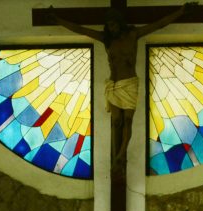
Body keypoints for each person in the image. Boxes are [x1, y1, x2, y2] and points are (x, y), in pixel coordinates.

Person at [50, 4, 192, 171]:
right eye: (109, 25)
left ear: (120, 23)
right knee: (116, 121)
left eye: (115, 24)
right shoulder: (106, 40)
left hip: (129, 84)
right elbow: (80, 29)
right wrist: (58, 20)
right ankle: (116, 155)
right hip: (114, 85)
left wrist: (181, 12)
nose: (113, 28)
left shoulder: (133, 35)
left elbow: (159, 24)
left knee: (128, 120)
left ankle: (120, 155)